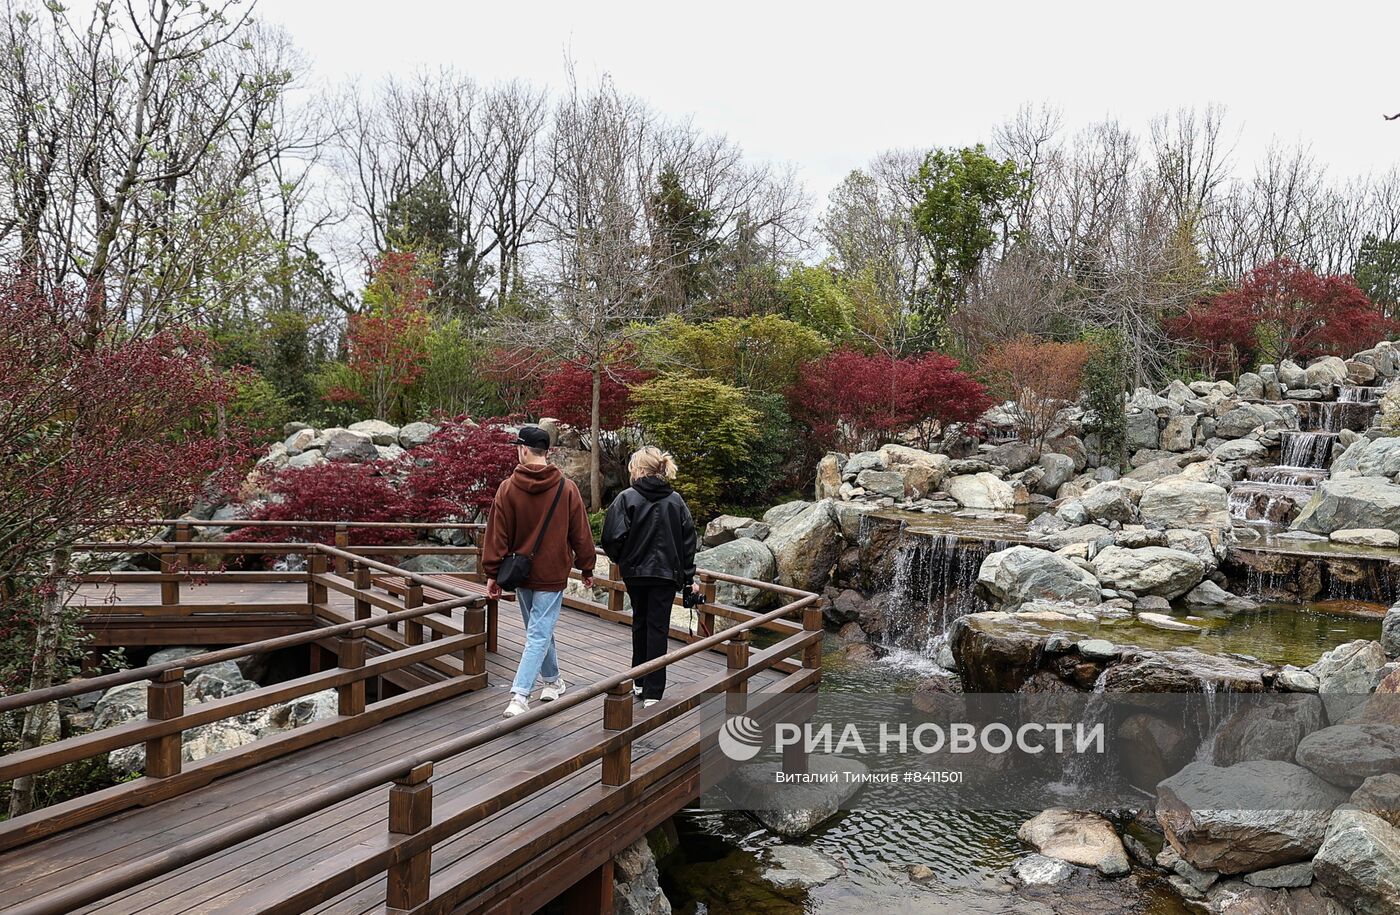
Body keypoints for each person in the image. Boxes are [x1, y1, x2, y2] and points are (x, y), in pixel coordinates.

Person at [482, 425, 597, 718]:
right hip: (552, 571)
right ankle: (552, 681)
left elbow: (497, 535)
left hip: (520, 573)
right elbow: (581, 533)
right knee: (539, 631)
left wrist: (492, 573)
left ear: (522, 449)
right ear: (547, 452)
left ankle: (520, 695)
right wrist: (587, 566)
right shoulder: (566, 488)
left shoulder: (507, 488)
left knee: (537, 631)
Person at [602, 446, 699, 708]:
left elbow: (611, 536)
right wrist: (688, 575)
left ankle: (639, 679)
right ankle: (654, 691)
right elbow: (689, 541)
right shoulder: (675, 500)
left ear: (640, 469)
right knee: (658, 628)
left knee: (640, 622)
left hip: (636, 573)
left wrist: (623, 558)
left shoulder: (627, 498)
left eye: (633, 466)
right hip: (666, 574)